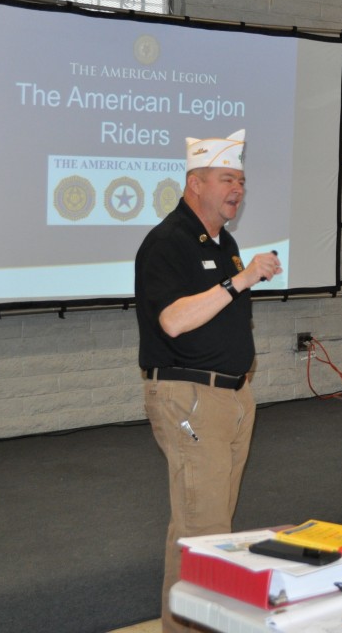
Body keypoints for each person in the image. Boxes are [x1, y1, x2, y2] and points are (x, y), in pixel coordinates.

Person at [135, 129, 282, 632]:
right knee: (206, 530)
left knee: (204, 525)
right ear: (195, 183)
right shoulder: (167, 242)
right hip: (190, 398)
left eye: (240, 180)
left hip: (233, 397)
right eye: (226, 179)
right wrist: (240, 279)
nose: (237, 189)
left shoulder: (224, 242)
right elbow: (173, 321)